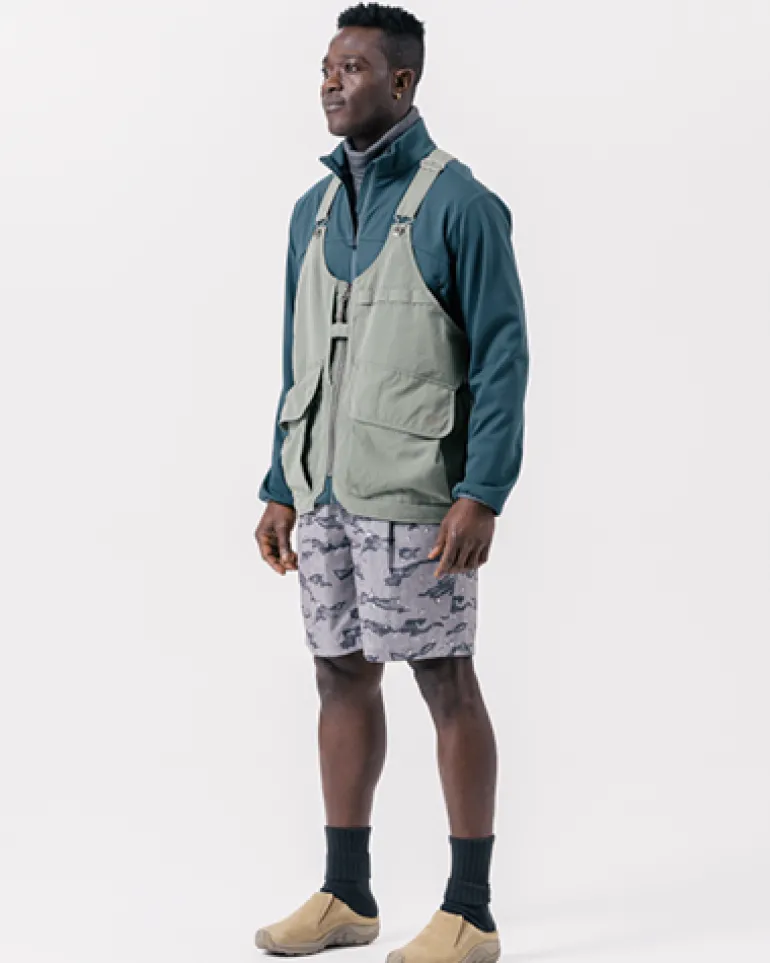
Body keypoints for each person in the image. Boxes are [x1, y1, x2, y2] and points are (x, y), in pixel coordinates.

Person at [253, 4, 528, 961]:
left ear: (403, 83)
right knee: (337, 671)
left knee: (445, 678)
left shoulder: (463, 205)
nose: (332, 82)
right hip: (325, 489)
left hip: (419, 492)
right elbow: (296, 358)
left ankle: (470, 911)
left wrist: (483, 489)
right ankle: (348, 894)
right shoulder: (311, 211)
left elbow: (502, 358)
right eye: (327, 67)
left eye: (355, 67)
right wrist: (279, 481)